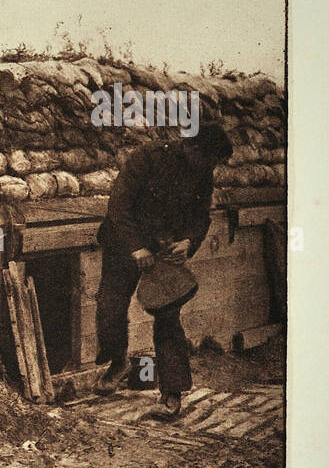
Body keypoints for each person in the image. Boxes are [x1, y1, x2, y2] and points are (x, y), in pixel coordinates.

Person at [93, 121, 234, 417]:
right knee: (110, 306)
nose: (211, 168)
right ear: (193, 148)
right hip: (123, 244)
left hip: (163, 251)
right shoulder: (147, 158)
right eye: (209, 160)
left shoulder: (202, 173)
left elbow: (201, 217)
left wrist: (188, 241)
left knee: (168, 318)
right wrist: (136, 247)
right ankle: (118, 361)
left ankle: (171, 394)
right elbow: (118, 207)